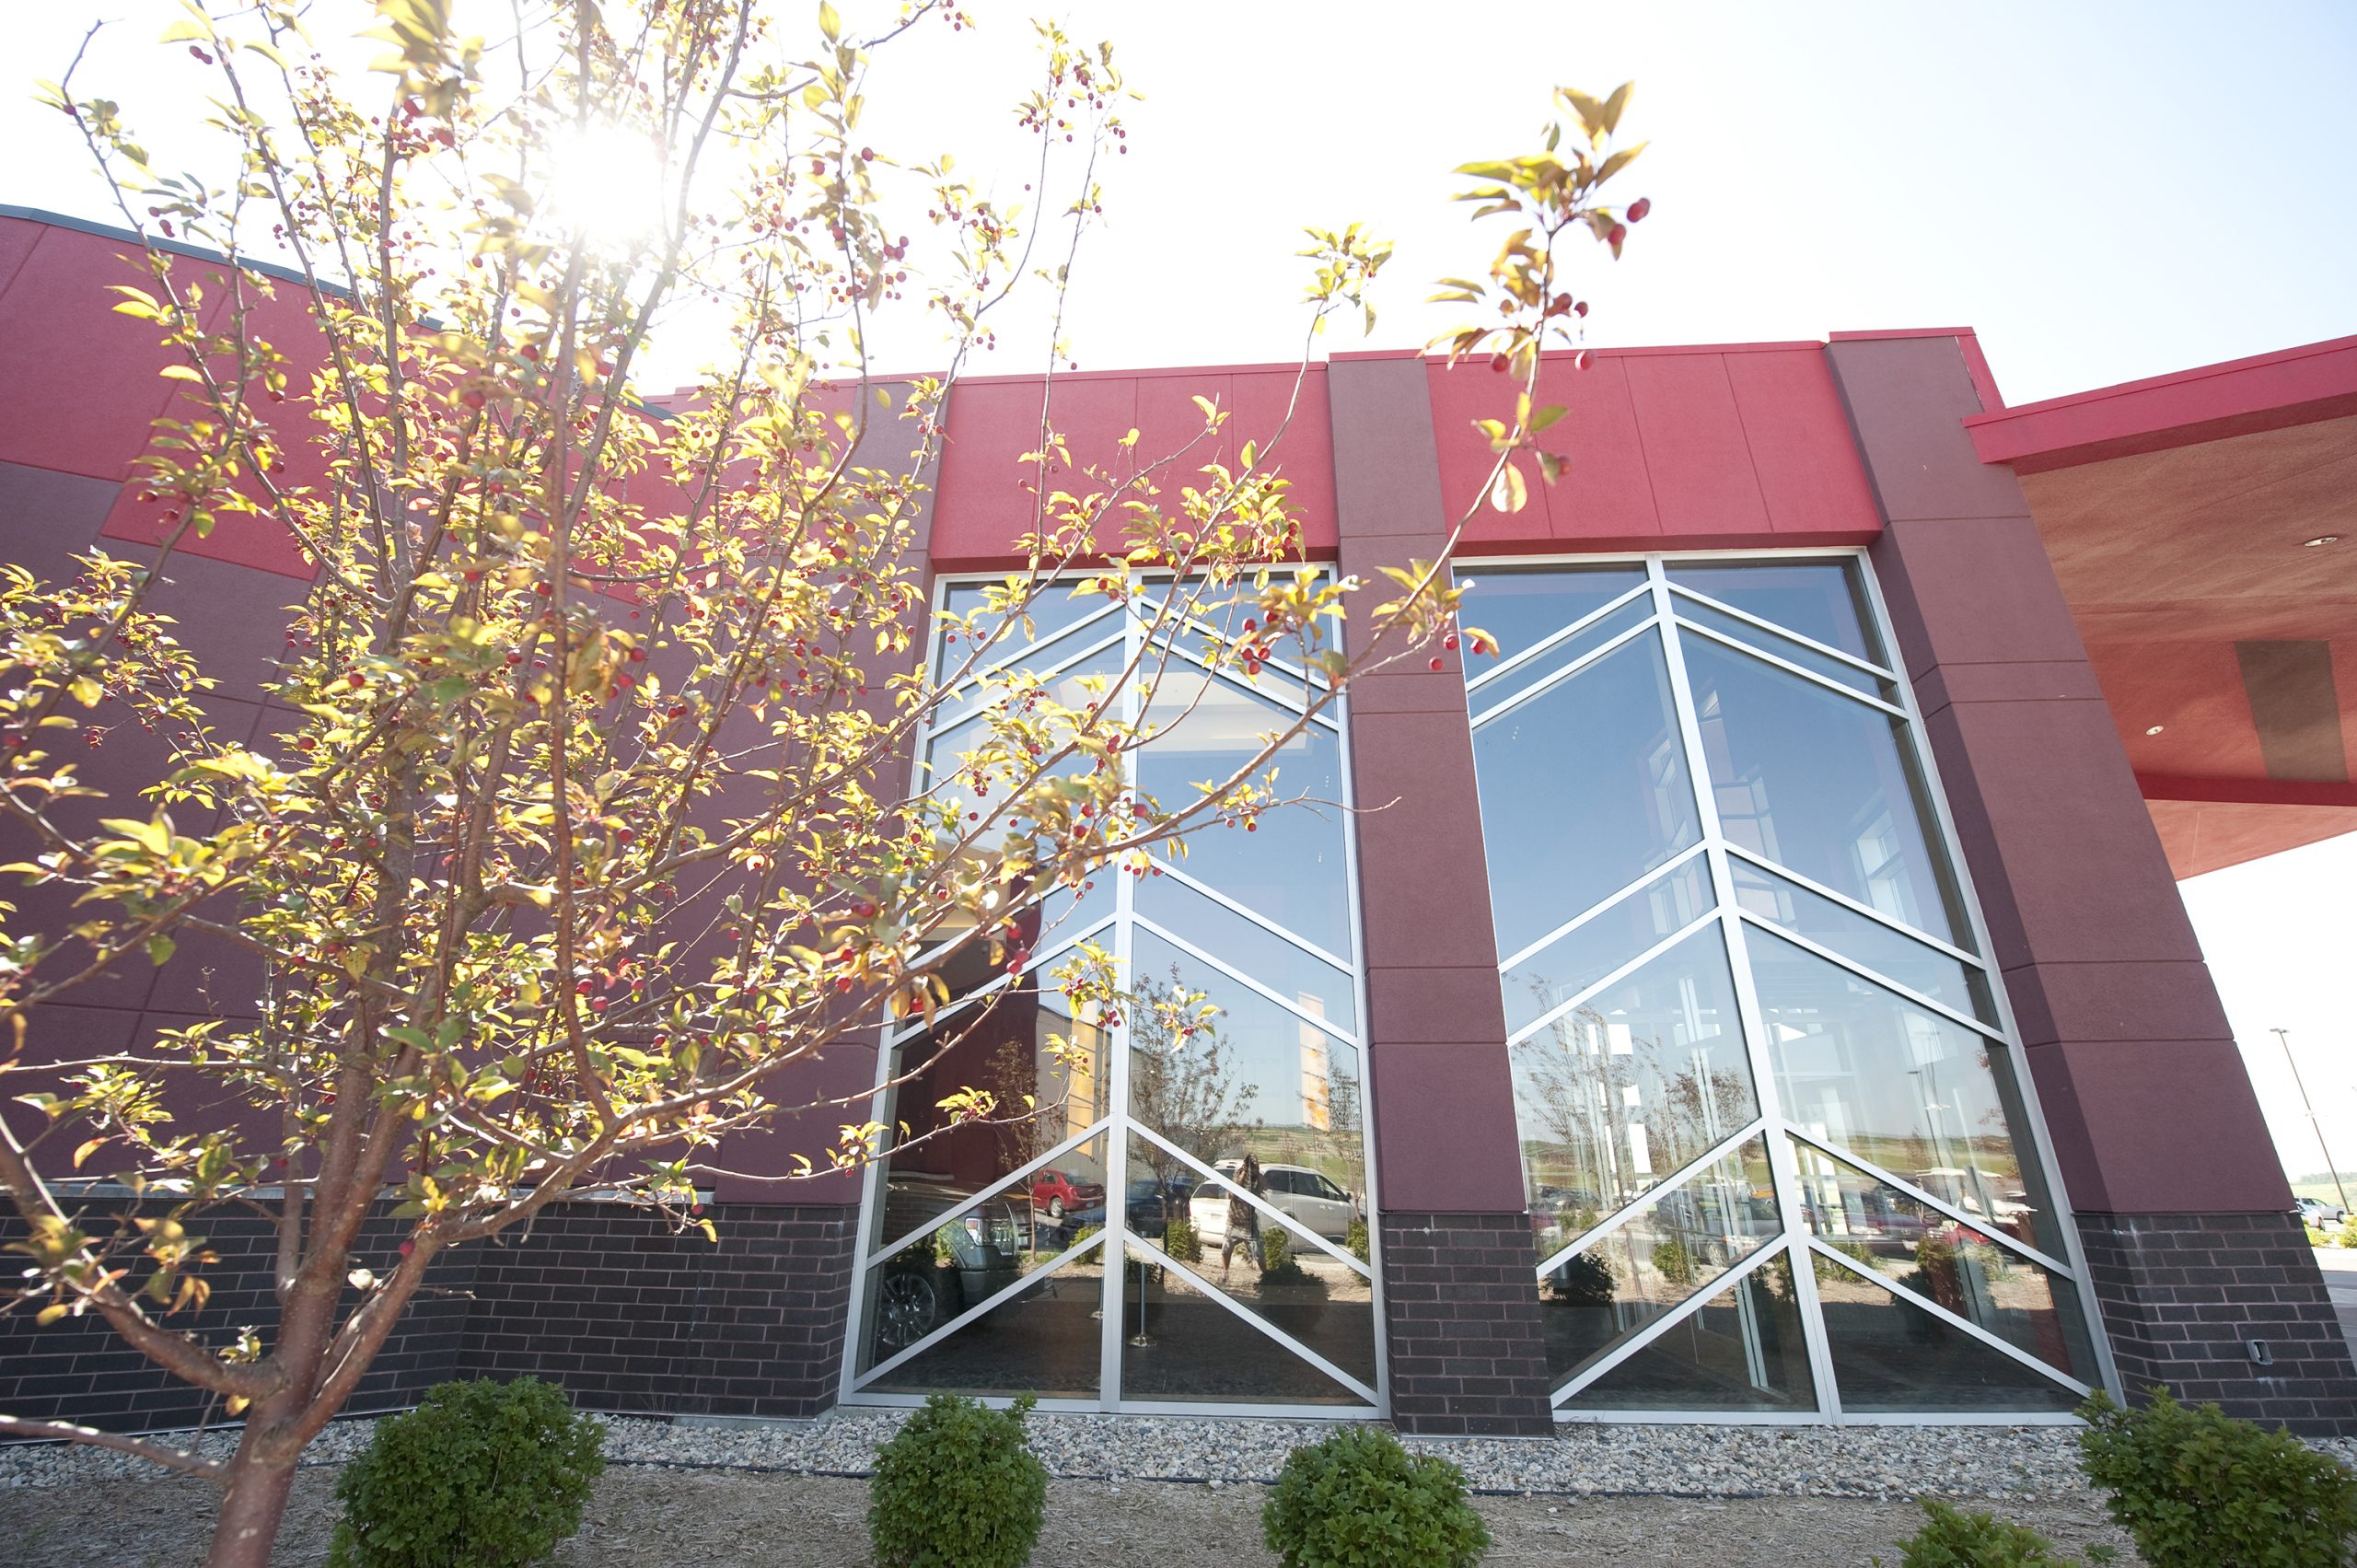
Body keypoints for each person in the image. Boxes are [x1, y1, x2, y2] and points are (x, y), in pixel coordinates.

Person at [1221, 1153, 1266, 1273]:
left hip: (1249, 1224)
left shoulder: (1257, 1179)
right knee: (1226, 1249)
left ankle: (1266, 1275)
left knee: (1258, 1253)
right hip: (1234, 1222)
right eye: (1251, 1163)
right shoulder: (1239, 1174)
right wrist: (1244, 1172)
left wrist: (1257, 1172)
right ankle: (1225, 1272)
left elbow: (1265, 1187)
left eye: (1254, 1163)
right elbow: (1231, 1194)